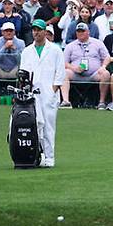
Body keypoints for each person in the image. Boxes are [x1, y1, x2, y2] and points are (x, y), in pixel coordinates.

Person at [19, 20, 65, 168]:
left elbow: (60, 73)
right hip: (31, 94)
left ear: (45, 31)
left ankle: (49, 158)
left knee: (48, 127)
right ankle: (35, 156)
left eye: (39, 30)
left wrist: (53, 90)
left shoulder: (55, 50)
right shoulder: (27, 51)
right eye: (34, 30)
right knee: (34, 125)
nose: (36, 32)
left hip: (48, 93)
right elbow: (23, 73)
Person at [60, 23, 112, 109]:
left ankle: (101, 102)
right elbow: (63, 62)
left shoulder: (98, 43)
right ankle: (66, 101)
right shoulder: (70, 46)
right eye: (78, 32)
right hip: (76, 74)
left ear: (88, 32)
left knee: (105, 74)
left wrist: (103, 67)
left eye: (82, 31)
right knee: (64, 73)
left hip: (94, 74)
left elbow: (107, 57)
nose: (80, 33)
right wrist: (74, 68)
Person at [0, 22, 26, 104]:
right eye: (6, 31)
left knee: (24, 68)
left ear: (14, 32)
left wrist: (14, 49)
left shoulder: (20, 42)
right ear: (2, 32)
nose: (9, 33)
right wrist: (4, 47)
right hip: (0, 69)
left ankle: (20, 96)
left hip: (14, 69)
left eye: (11, 31)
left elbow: (22, 61)